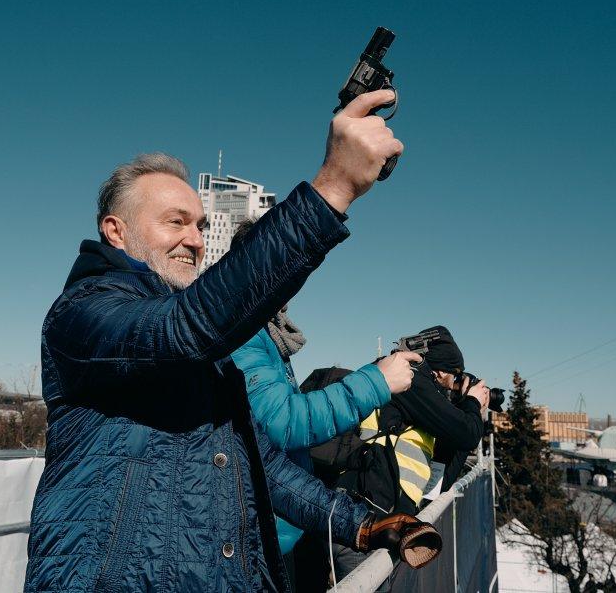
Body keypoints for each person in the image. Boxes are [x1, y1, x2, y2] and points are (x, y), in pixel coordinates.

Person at [24, 90, 440, 593]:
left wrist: (360, 523)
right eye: (175, 222)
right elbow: (183, 329)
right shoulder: (84, 312)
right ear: (116, 231)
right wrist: (333, 188)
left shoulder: (207, 347)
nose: (196, 240)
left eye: (200, 225)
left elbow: (265, 465)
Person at [227, 219, 420, 557]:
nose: (294, 278)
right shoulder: (243, 331)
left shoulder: (267, 331)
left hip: (280, 526)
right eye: (285, 263)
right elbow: (283, 423)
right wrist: (377, 381)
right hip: (254, 536)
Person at [329, 325, 489, 580]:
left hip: (384, 523)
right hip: (366, 520)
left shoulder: (418, 410)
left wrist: (468, 411)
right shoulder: (411, 381)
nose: (455, 385)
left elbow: (442, 479)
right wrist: (470, 404)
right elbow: (466, 432)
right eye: (455, 376)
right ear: (437, 371)